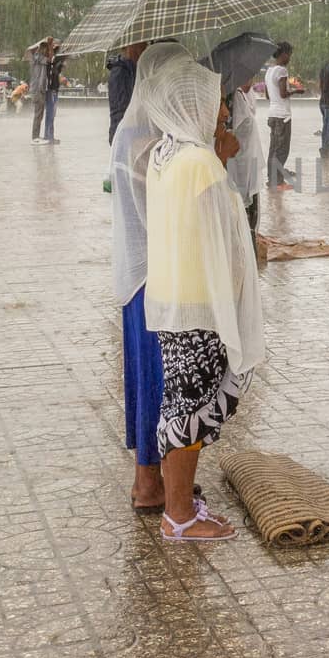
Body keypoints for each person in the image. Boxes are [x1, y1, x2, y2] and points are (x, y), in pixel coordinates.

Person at [141, 57, 266, 542]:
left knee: (180, 401)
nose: (222, 112)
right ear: (190, 103)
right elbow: (226, 231)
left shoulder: (164, 153)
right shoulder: (200, 163)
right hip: (201, 302)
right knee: (190, 407)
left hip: (173, 295)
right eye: (214, 101)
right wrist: (223, 160)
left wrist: (217, 155)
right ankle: (178, 515)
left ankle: (181, 501)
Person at [110, 42, 190, 512]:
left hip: (138, 275)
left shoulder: (135, 130)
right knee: (159, 380)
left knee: (148, 378)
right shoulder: (148, 139)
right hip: (153, 277)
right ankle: (148, 482)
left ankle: (153, 476)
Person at [227, 78, 264, 232]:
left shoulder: (243, 95)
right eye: (247, 76)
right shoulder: (232, 98)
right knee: (240, 216)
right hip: (238, 167)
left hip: (248, 163)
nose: (250, 80)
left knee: (250, 216)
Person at [265, 42, 294, 189]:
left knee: (273, 148)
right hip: (282, 115)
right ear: (283, 54)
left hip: (272, 114)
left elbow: (267, 95)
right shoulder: (282, 71)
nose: (289, 58)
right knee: (282, 149)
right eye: (289, 54)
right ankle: (277, 182)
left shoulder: (269, 71)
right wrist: (296, 91)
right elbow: (283, 94)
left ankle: (272, 179)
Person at [107, 42, 144, 144]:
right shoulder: (120, 72)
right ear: (129, 47)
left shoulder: (133, 68)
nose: (145, 48)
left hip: (134, 134)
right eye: (141, 45)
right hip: (126, 136)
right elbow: (121, 111)